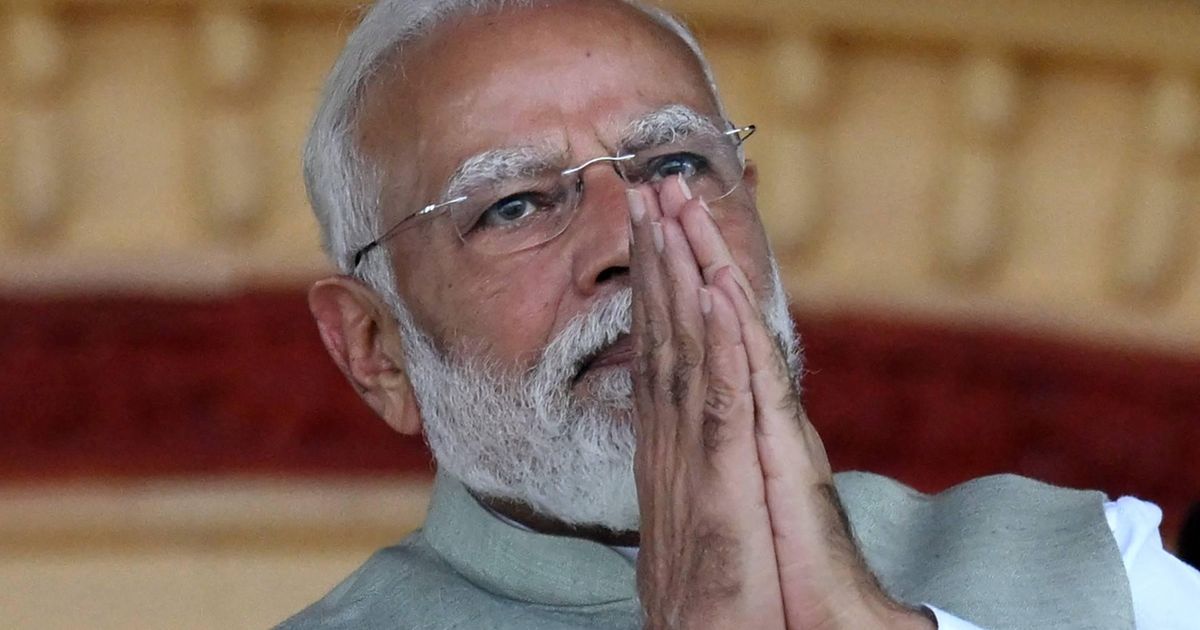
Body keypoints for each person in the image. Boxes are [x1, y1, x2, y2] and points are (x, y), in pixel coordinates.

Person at [282, 0, 1200, 628]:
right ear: (375, 350)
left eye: (675, 166)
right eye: (514, 205)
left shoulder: (1101, 570)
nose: (630, 240)